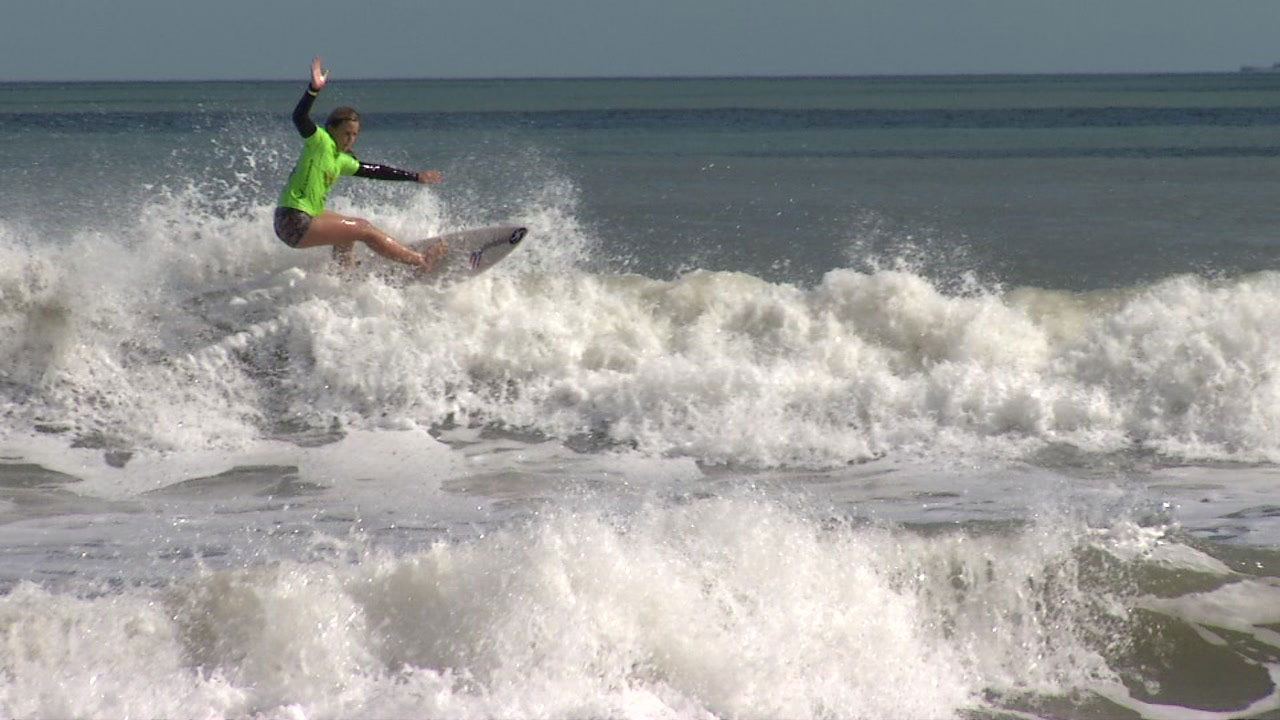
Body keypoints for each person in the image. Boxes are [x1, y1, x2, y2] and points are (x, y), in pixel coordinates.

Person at [274, 56, 446, 270]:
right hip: (293, 220)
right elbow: (299, 117)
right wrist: (313, 89)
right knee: (363, 228)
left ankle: (344, 276)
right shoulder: (320, 142)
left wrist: (415, 177)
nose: (350, 139)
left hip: (300, 219)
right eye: (346, 133)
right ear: (332, 129)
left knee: (347, 233)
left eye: (354, 135)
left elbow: (376, 171)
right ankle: (421, 260)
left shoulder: (342, 160)